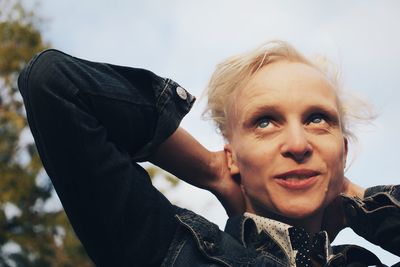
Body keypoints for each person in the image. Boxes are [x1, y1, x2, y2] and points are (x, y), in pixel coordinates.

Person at [18, 40, 399, 267]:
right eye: (265, 122)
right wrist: (211, 169)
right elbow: (55, 85)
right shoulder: (172, 253)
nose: (298, 145)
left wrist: (358, 199)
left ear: (342, 150)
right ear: (233, 157)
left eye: (318, 119)